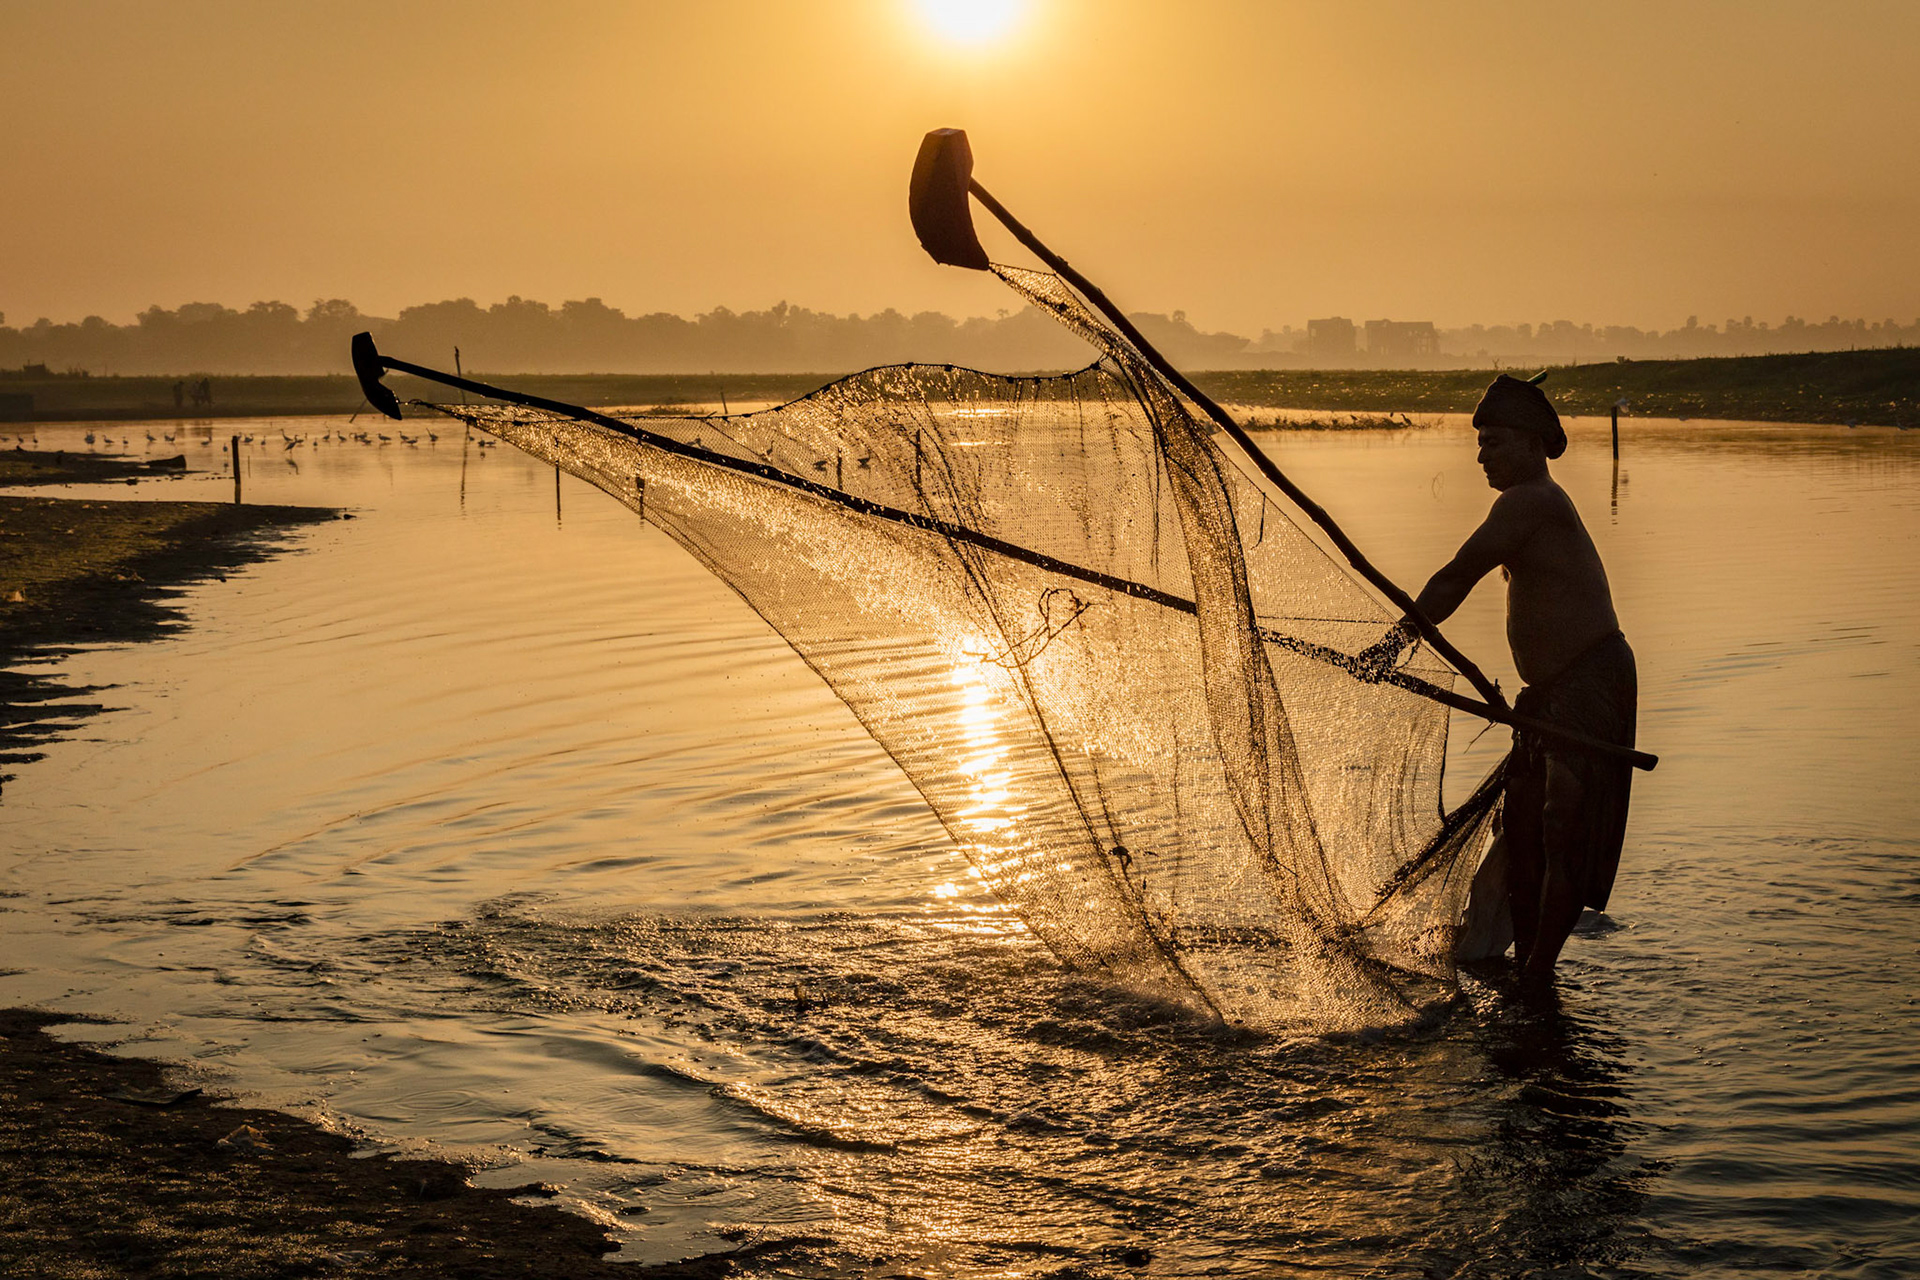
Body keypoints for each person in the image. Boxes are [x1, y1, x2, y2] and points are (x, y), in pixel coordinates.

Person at [1357, 375, 1637, 981]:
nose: (1483, 454)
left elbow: (1458, 576)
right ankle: (1528, 964)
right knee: (1523, 825)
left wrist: (1392, 645)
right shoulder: (1519, 501)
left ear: (1534, 445)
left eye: (1496, 442)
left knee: (1561, 825)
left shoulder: (1533, 500)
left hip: (1590, 681)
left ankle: (1539, 972)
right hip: (1547, 695)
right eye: (1479, 443)